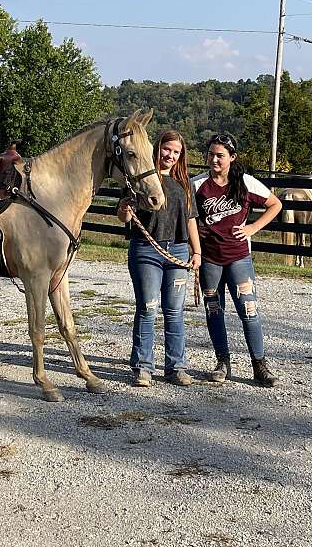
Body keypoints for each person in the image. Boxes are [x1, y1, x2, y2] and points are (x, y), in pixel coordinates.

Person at [192, 133, 282, 387]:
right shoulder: (197, 185)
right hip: (210, 258)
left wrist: (253, 228)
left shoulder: (245, 182)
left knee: (249, 311)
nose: (214, 160)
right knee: (214, 311)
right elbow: (185, 215)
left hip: (238, 257)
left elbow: (275, 204)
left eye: (220, 155)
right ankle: (223, 362)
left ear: (232, 157)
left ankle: (259, 365)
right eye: (210, 154)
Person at [117, 129, 201, 387]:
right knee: (148, 308)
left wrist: (196, 252)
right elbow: (124, 218)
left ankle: (176, 366)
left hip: (176, 250)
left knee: (174, 311)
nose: (171, 156)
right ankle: (143, 367)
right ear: (157, 147)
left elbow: (190, 220)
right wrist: (124, 210)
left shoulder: (184, 184)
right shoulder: (140, 179)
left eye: (176, 152)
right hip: (146, 249)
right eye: (168, 149)